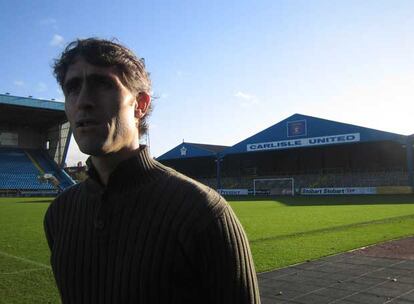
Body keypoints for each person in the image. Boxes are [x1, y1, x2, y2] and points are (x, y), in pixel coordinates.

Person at [44, 38, 260, 304]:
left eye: (103, 84)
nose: (83, 101)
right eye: (72, 88)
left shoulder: (204, 213)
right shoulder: (59, 214)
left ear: (140, 105)